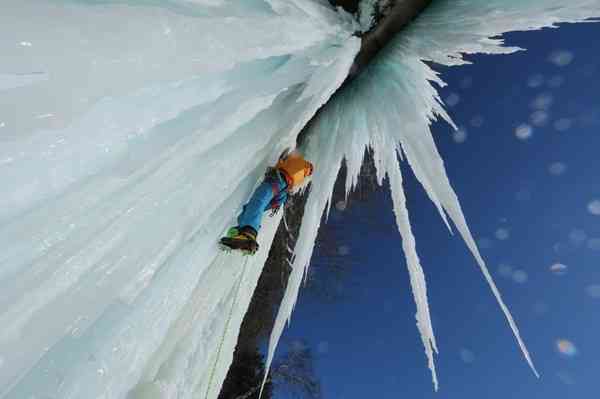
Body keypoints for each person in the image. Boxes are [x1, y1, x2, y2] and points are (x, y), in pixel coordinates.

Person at [220, 151, 314, 254]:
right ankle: (242, 232)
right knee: (253, 207)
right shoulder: (301, 172)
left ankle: (247, 235)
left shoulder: (300, 164)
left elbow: (285, 160)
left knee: (258, 202)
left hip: (278, 181)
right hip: (280, 188)